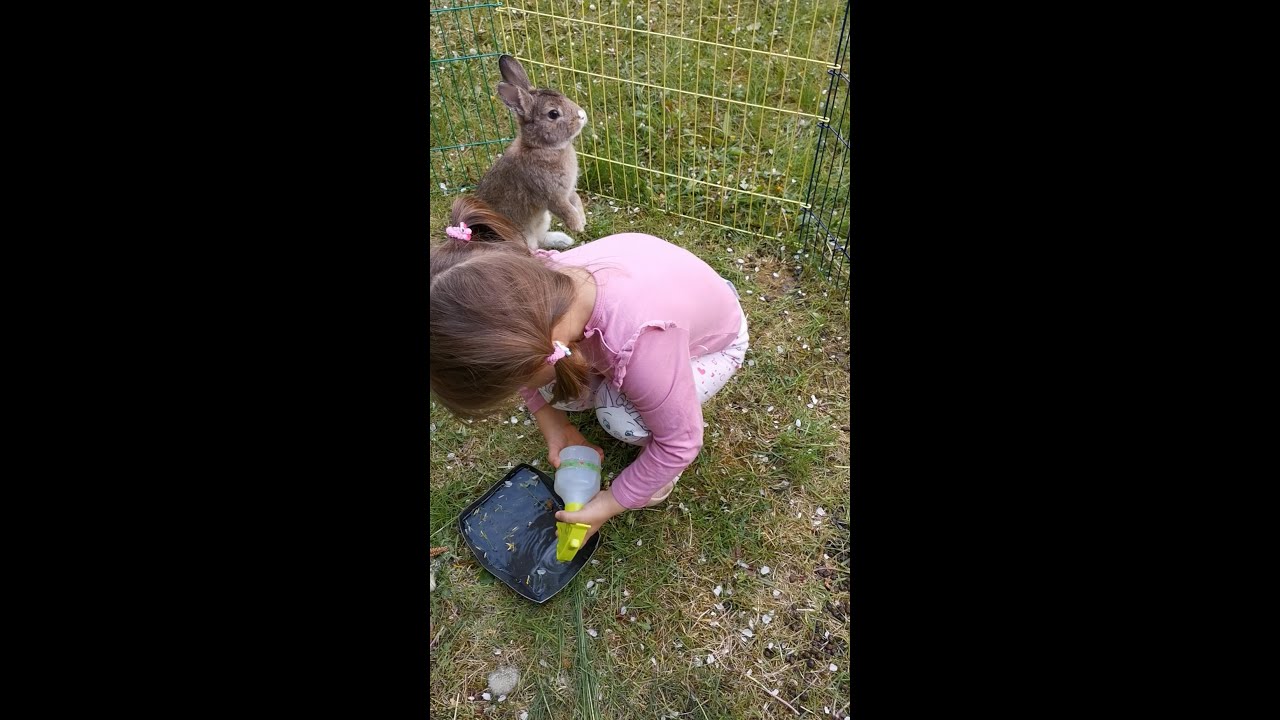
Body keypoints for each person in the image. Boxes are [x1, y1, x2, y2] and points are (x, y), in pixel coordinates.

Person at [430, 195, 749, 542]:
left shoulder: (643, 345)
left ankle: (662, 434)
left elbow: (681, 442)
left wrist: (612, 501)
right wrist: (553, 423)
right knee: (563, 392)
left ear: (537, 353)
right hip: (654, 286)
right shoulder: (531, 289)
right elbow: (515, 356)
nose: (520, 390)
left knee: (620, 418)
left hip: (709, 342)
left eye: (516, 381)